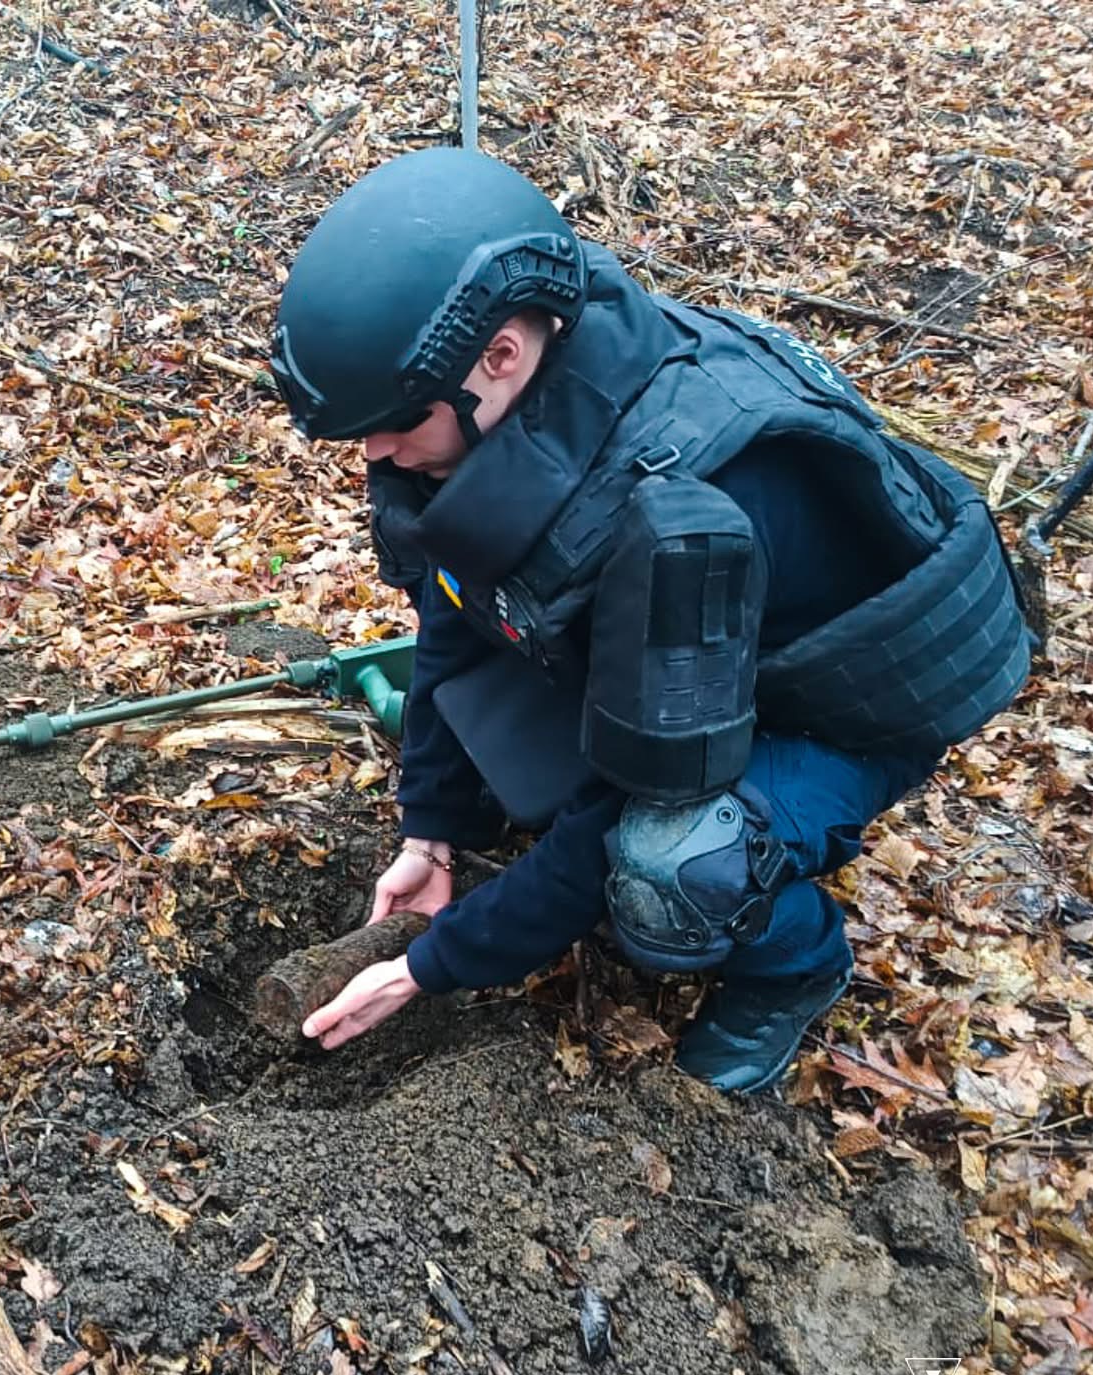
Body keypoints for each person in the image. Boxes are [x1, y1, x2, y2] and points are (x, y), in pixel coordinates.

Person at [268, 148, 1033, 1091]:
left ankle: (796, 967)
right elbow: (453, 611)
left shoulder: (680, 520)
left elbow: (626, 808)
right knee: (521, 763)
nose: (377, 452)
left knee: (673, 866)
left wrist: (434, 963)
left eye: (395, 423)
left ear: (501, 355)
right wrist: (429, 830)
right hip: (699, 656)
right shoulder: (494, 401)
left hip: (841, 704)